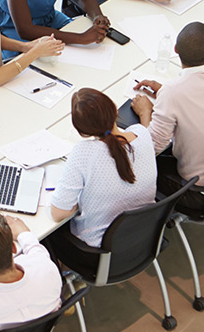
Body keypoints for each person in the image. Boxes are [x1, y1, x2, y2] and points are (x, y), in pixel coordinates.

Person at [129, 22, 204, 201]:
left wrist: (145, 112)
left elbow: (150, 149)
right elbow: (203, 97)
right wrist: (164, 91)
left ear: (175, 50)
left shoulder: (173, 93)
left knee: (138, 169)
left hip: (200, 191)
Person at [50, 88, 158, 247]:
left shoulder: (83, 153)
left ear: (81, 132)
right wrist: (145, 113)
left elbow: (58, 214)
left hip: (98, 249)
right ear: (115, 109)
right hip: (143, 237)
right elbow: (141, 134)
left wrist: (82, 199)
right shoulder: (141, 134)